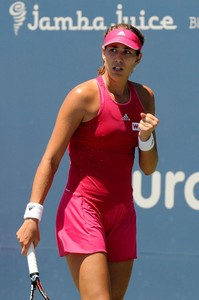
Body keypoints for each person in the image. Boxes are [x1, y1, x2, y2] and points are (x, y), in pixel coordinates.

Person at [16, 23, 159, 300]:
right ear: (103, 53)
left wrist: (146, 138)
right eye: (112, 50)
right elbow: (51, 159)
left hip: (123, 215)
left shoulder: (145, 98)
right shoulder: (82, 97)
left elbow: (148, 166)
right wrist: (32, 216)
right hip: (83, 211)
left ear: (138, 58)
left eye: (127, 52)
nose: (118, 58)